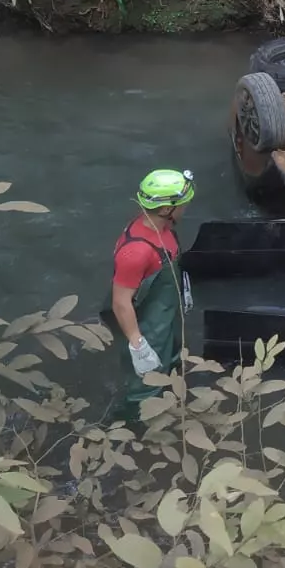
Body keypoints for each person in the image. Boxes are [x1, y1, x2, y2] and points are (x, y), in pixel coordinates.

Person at [109, 168, 195, 422]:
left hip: (166, 315)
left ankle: (170, 406)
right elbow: (120, 301)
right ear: (166, 209)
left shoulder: (163, 227)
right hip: (148, 326)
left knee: (170, 363)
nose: (186, 207)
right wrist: (138, 345)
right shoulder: (136, 252)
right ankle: (132, 430)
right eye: (183, 203)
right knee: (145, 385)